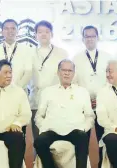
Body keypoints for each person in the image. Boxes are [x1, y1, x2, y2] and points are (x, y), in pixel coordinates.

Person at [34, 59, 95, 168]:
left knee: (83, 137)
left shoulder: (82, 92)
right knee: (39, 141)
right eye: (63, 70)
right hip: (52, 129)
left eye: (70, 71)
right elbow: (39, 116)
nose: (66, 73)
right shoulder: (47, 91)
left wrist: (83, 128)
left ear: (74, 73)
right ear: (58, 72)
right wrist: (43, 128)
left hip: (75, 130)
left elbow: (90, 116)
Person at [72, 25, 112, 168]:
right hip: (84, 107)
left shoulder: (107, 57)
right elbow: (74, 83)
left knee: (104, 139)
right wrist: (86, 100)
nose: (90, 39)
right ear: (83, 39)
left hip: (103, 105)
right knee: (83, 140)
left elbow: (111, 80)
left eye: (92, 36)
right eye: (87, 36)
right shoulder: (76, 58)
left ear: (97, 38)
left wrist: (100, 99)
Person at [29, 20, 68, 148]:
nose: (43, 34)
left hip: (56, 100)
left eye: (46, 31)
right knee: (38, 137)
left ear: (52, 34)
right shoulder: (28, 53)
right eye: (40, 32)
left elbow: (67, 75)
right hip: (35, 100)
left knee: (55, 136)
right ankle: (39, 166)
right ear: (35, 35)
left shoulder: (62, 53)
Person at [0, 19, 33, 91]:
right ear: (2, 32)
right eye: (6, 28)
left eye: (13, 28)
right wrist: (0, 87)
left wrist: (17, 89)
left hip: (19, 93)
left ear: (17, 32)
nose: (10, 31)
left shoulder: (27, 50)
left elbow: (28, 72)